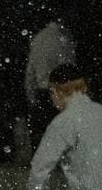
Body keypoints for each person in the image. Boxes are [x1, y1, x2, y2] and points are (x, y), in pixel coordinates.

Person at [24, 18, 77, 147]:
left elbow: (30, 71)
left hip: (43, 91)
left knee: (41, 134)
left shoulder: (38, 40)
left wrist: (31, 95)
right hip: (61, 91)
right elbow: (71, 69)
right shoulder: (64, 40)